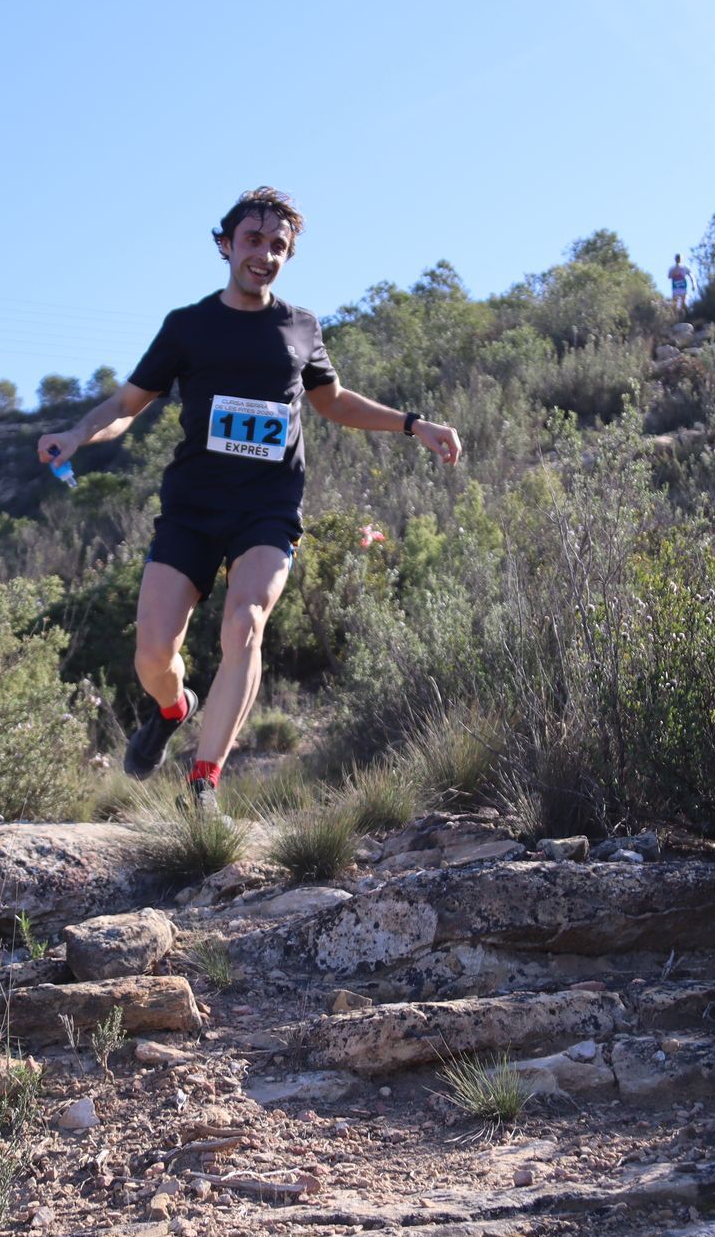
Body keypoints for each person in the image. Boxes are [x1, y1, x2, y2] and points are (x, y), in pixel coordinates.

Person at [37, 188, 463, 812]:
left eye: (278, 246)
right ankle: (173, 708)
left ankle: (203, 783)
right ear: (226, 245)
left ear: (289, 255)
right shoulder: (187, 327)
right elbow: (127, 405)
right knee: (153, 653)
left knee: (246, 621)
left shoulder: (300, 327)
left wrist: (412, 423)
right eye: (253, 241)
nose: (264, 255)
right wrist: (78, 434)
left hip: (268, 507)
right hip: (192, 507)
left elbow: (332, 402)